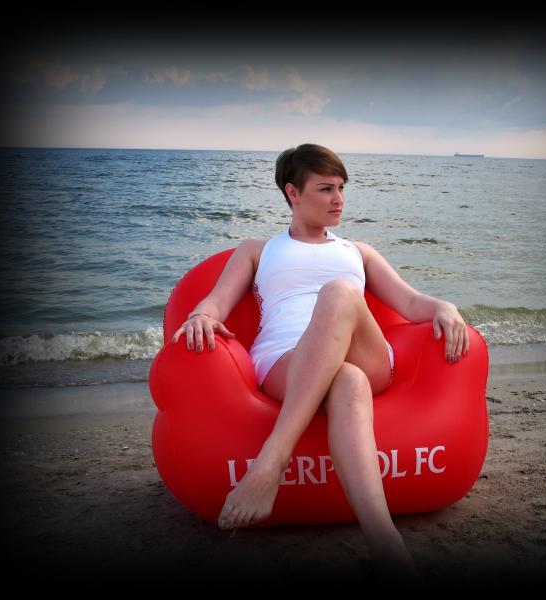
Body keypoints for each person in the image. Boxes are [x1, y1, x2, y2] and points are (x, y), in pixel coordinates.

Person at [171, 143, 469, 583]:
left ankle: (270, 463)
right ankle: (385, 543)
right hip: (286, 359)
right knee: (346, 381)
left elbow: (408, 302)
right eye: (326, 189)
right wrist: (200, 316)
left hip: (365, 355)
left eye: (341, 188)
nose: (338, 199)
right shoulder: (257, 250)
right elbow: (216, 302)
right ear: (293, 192)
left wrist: (443, 305)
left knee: (340, 293)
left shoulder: (358, 251)